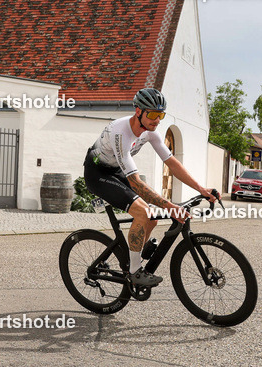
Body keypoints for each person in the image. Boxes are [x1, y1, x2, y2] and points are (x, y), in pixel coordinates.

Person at [84, 88, 216, 287]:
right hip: (97, 174)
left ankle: (133, 254)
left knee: (151, 218)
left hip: (116, 171)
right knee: (143, 213)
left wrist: (201, 189)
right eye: (153, 114)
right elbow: (136, 182)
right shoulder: (120, 132)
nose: (157, 120)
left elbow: (172, 163)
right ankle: (134, 272)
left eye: (160, 115)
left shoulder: (150, 133)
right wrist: (170, 206)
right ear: (138, 111)